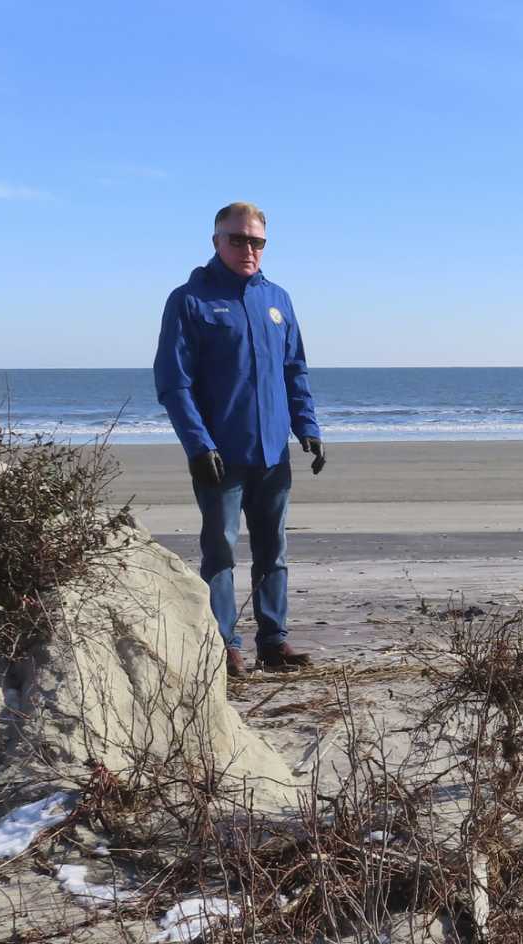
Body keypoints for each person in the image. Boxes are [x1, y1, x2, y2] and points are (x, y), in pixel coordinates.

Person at [154, 201, 326, 674]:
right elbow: (173, 381)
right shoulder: (190, 300)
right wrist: (197, 444)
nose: (248, 249)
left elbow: (295, 370)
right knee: (222, 549)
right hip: (220, 454)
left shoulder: (278, 299)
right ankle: (224, 643)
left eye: (257, 241)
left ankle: (274, 641)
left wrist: (306, 427)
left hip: (273, 451)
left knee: (274, 548)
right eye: (238, 239)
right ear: (216, 241)